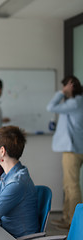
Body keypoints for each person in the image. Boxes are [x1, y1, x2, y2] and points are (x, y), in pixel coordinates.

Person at [46, 75, 83, 230]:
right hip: (74, 148)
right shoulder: (75, 103)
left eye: (65, 86)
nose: (64, 89)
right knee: (68, 184)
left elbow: (50, 107)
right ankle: (68, 218)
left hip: (72, 149)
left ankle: (74, 221)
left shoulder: (75, 102)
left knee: (71, 186)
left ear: (72, 85)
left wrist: (61, 93)